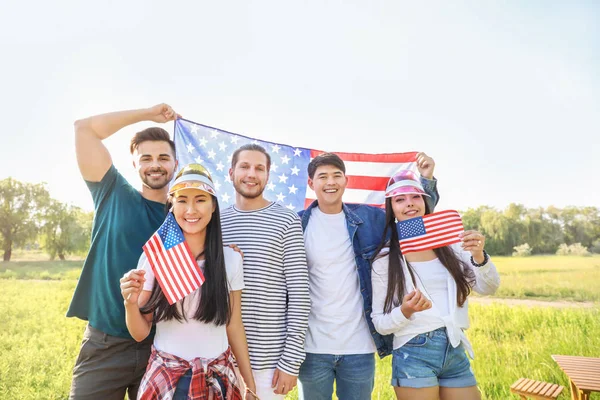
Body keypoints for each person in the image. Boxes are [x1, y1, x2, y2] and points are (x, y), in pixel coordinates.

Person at [296, 152, 439, 400]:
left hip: (359, 347)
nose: (330, 182)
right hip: (312, 347)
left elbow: (414, 222)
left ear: (346, 181)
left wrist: (425, 182)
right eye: (323, 177)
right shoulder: (297, 225)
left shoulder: (370, 219)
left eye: (336, 176)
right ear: (312, 183)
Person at [67, 104, 180, 399]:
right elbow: (84, 128)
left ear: (176, 164)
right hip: (106, 345)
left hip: (164, 349)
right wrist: (147, 114)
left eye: (163, 158)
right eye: (147, 158)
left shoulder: (184, 217)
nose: (155, 164)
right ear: (134, 164)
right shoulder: (112, 192)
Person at [119, 163, 257, 399]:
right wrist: (130, 304)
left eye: (201, 200)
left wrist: (249, 385)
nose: (191, 209)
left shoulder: (231, 260)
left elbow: (234, 325)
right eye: (182, 200)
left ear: (213, 206)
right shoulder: (156, 258)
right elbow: (140, 333)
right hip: (168, 377)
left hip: (219, 376)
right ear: (172, 206)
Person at [371, 169, 500, 400]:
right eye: (400, 200)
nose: (410, 204)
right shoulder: (385, 259)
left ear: (425, 201)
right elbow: (380, 323)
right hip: (413, 349)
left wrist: (480, 256)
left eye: (416, 197)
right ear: (392, 210)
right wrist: (406, 310)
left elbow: (488, 287)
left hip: (454, 347)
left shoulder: (451, 244)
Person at [220, 144, 311, 399]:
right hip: (221, 357)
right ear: (231, 172)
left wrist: (290, 361)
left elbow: (299, 293)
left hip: (268, 364)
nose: (252, 174)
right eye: (245, 166)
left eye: (259, 168)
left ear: (268, 176)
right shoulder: (216, 221)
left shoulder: (286, 220)